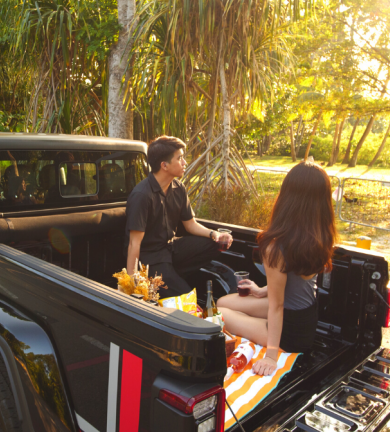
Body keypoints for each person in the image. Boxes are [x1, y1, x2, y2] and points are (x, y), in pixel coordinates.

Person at [217, 161, 337, 376]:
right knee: (223, 302)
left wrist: (271, 356)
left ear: (287, 196)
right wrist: (262, 290)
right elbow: (295, 285)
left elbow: (277, 307)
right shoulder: (321, 235)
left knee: (221, 313)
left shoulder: (276, 246)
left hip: (290, 333)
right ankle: (260, 325)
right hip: (305, 318)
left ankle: (265, 331)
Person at [125, 136, 232, 298]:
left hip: (171, 249)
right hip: (151, 259)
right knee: (187, 297)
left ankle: (171, 276)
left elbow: (190, 225)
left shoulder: (178, 188)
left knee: (213, 244)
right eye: (180, 158)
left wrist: (214, 234)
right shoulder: (142, 195)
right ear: (164, 165)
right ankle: (166, 280)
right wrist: (133, 283)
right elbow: (134, 244)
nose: (185, 163)